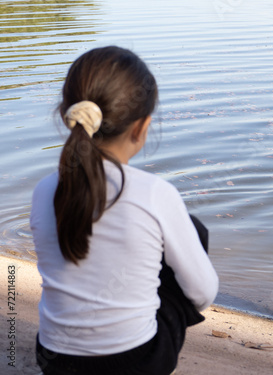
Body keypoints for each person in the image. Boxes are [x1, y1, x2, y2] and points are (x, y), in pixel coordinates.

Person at [30, 46, 218, 375]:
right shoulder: (155, 193)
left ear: (68, 113)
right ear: (141, 128)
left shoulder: (43, 190)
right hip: (137, 360)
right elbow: (202, 294)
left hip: (56, 358)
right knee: (193, 230)